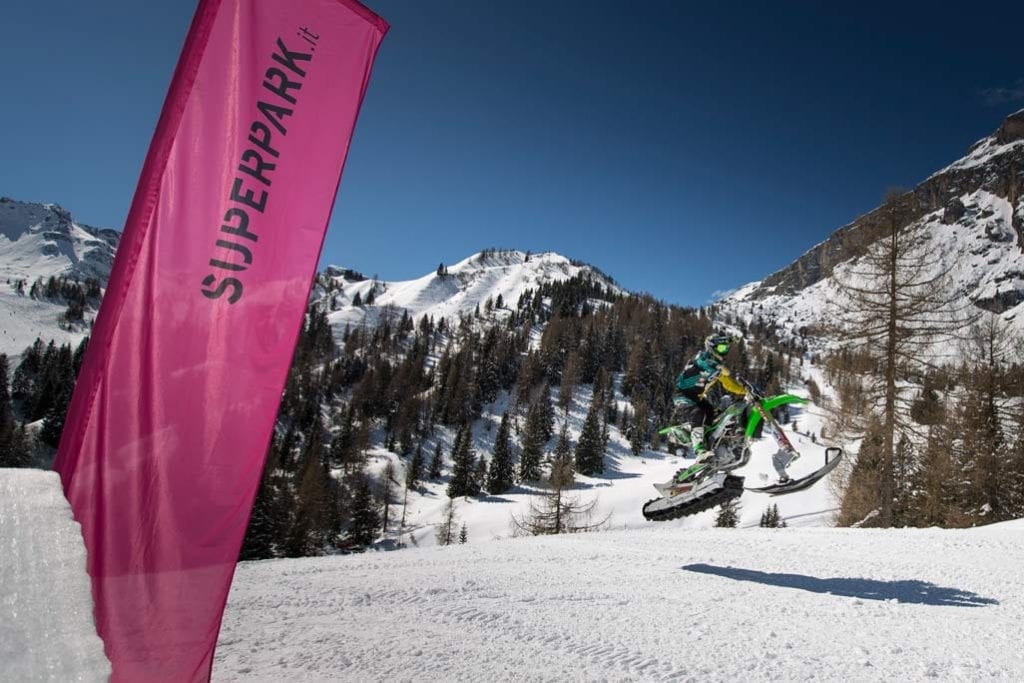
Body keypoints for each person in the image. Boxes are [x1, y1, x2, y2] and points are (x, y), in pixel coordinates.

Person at [667, 332, 747, 469]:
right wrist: (719, 367)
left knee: (714, 416)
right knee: (698, 413)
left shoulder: (717, 367)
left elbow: (728, 384)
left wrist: (746, 391)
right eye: (722, 348)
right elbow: (703, 364)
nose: (725, 352)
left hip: (697, 397)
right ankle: (699, 452)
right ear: (711, 347)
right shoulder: (702, 358)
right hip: (682, 395)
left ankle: (713, 448)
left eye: (726, 349)